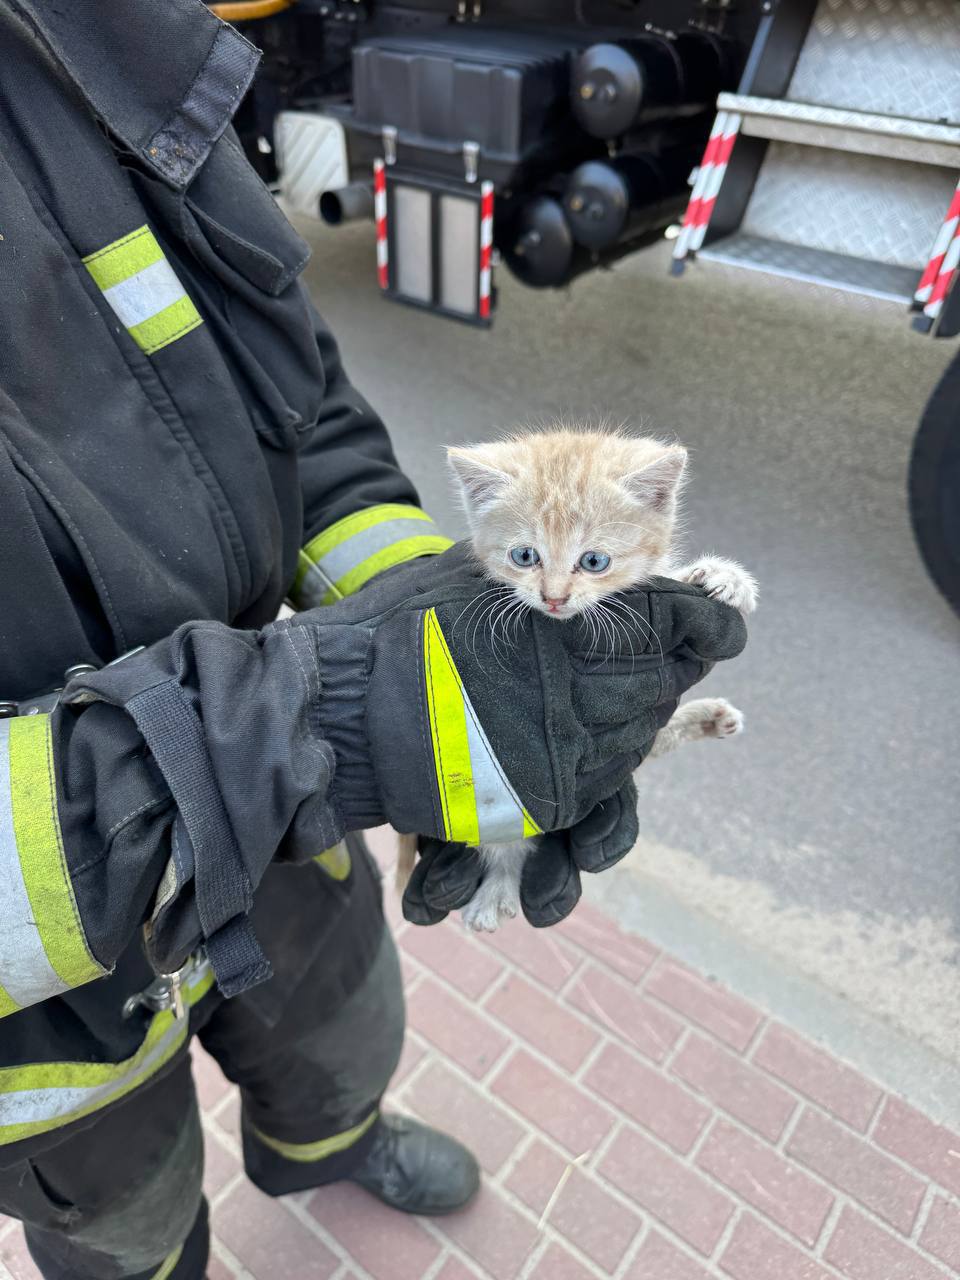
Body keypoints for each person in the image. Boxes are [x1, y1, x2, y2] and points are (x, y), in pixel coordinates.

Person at [0, 3, 747, 1278]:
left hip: (293, 821)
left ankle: (338, 1143)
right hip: (52, 999)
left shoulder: (86, 35)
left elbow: (299, 403)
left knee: (337, 1024)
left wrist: (443, 638)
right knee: (122, 1210)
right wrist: (336, 721)